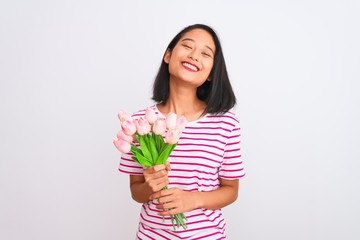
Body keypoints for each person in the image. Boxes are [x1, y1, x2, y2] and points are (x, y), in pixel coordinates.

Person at [119, 23, 245, 239]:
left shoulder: (226, 123)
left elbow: (231, 190)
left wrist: (192, 199)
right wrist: (150, 186)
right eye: (187, 46)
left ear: (211, 74)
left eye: (206, 53)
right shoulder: (140, 123)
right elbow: (136, 192)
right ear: (168, 55)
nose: (195, 55)